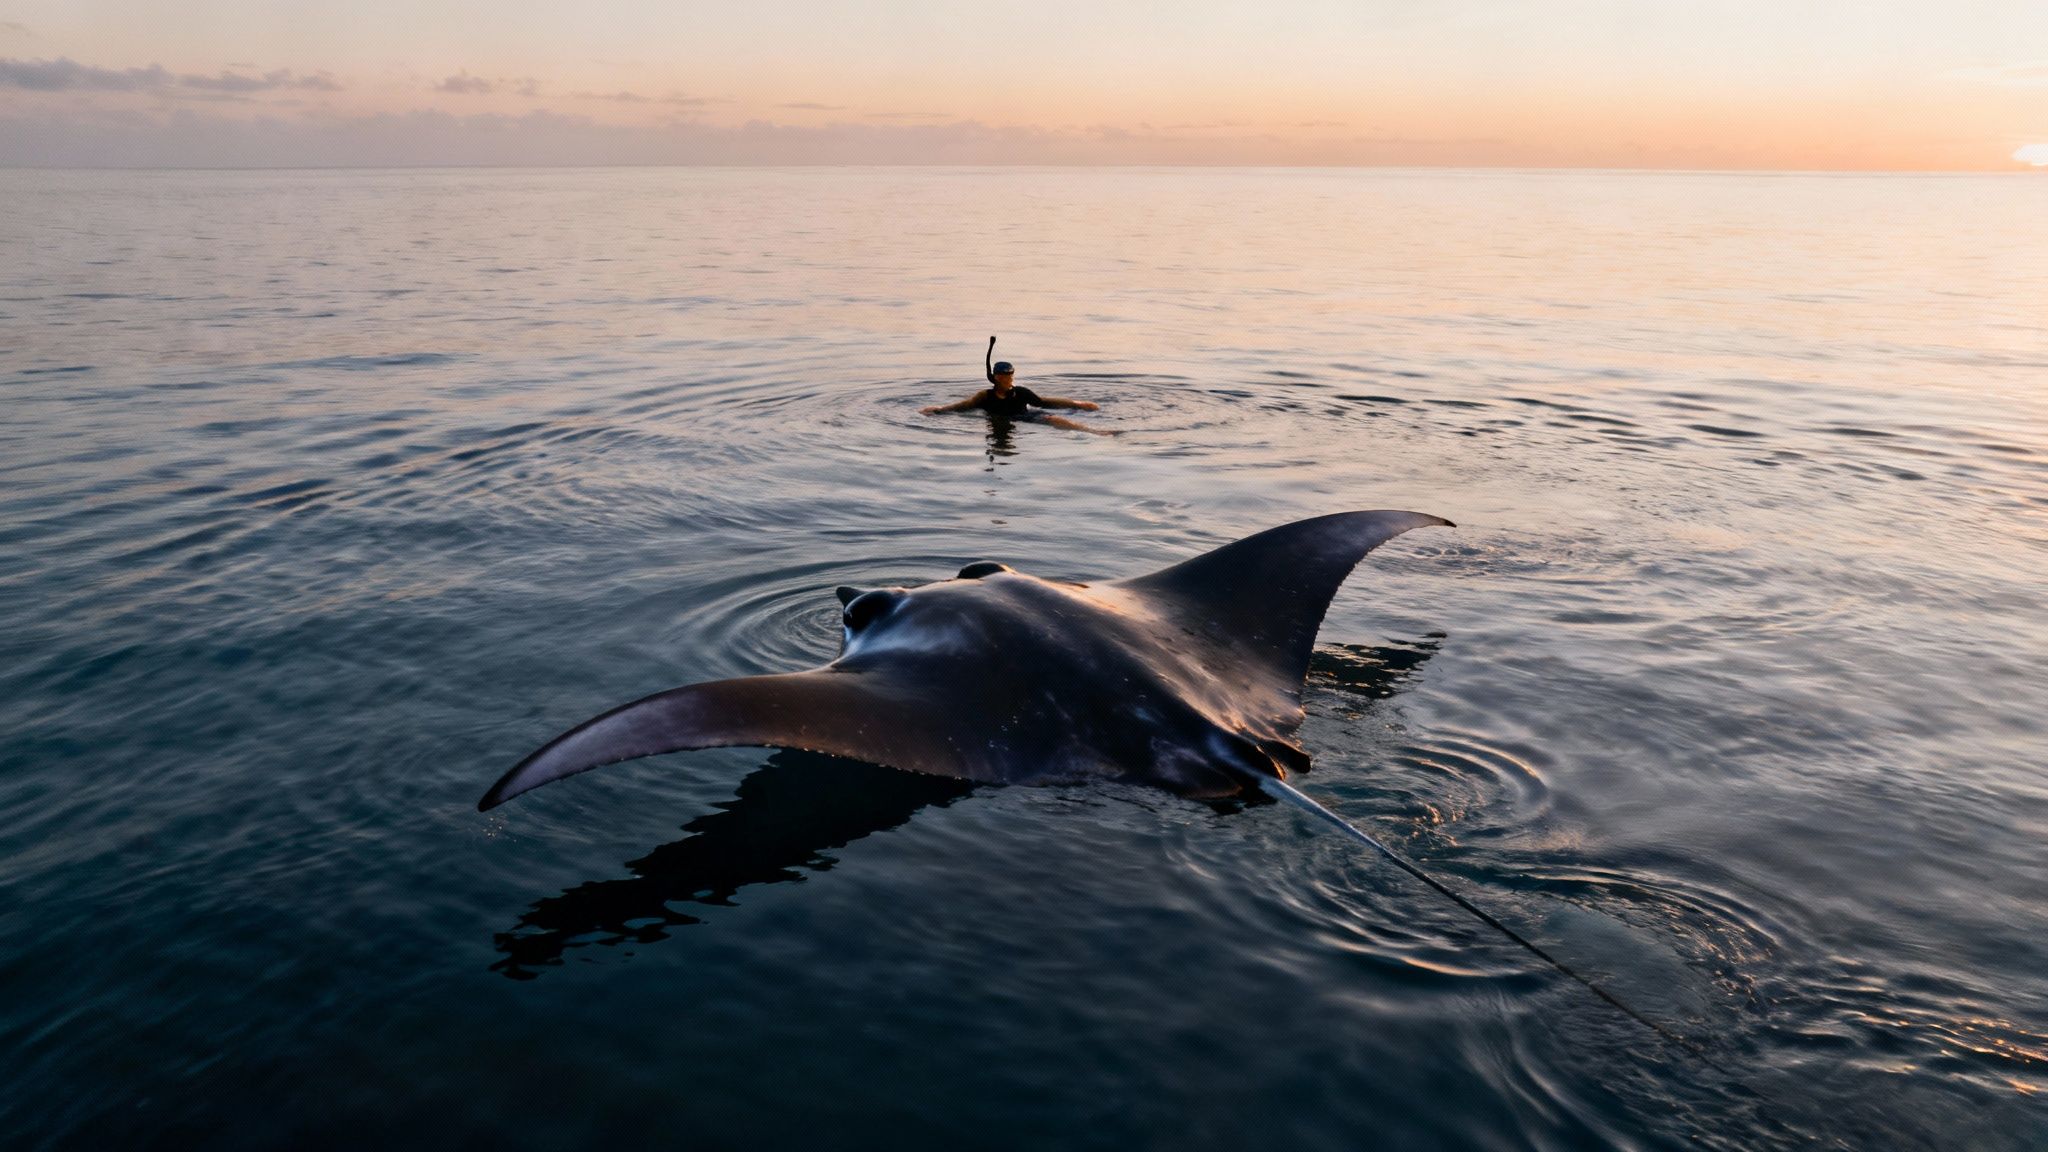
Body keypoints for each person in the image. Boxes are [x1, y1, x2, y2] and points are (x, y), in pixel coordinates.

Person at [921, 337, 1108, 433]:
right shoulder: (985, 397)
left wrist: (1078, 404)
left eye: (1011, 376)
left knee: (1054, 419)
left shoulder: (1020, 392)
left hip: (1026, 418)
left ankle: (1094, 432)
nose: (1009, 380)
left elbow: (1044, 402)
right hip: (1004, 421)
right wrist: (938, 410)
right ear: (995, 378)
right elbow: (962, 406)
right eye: (1004, 377)